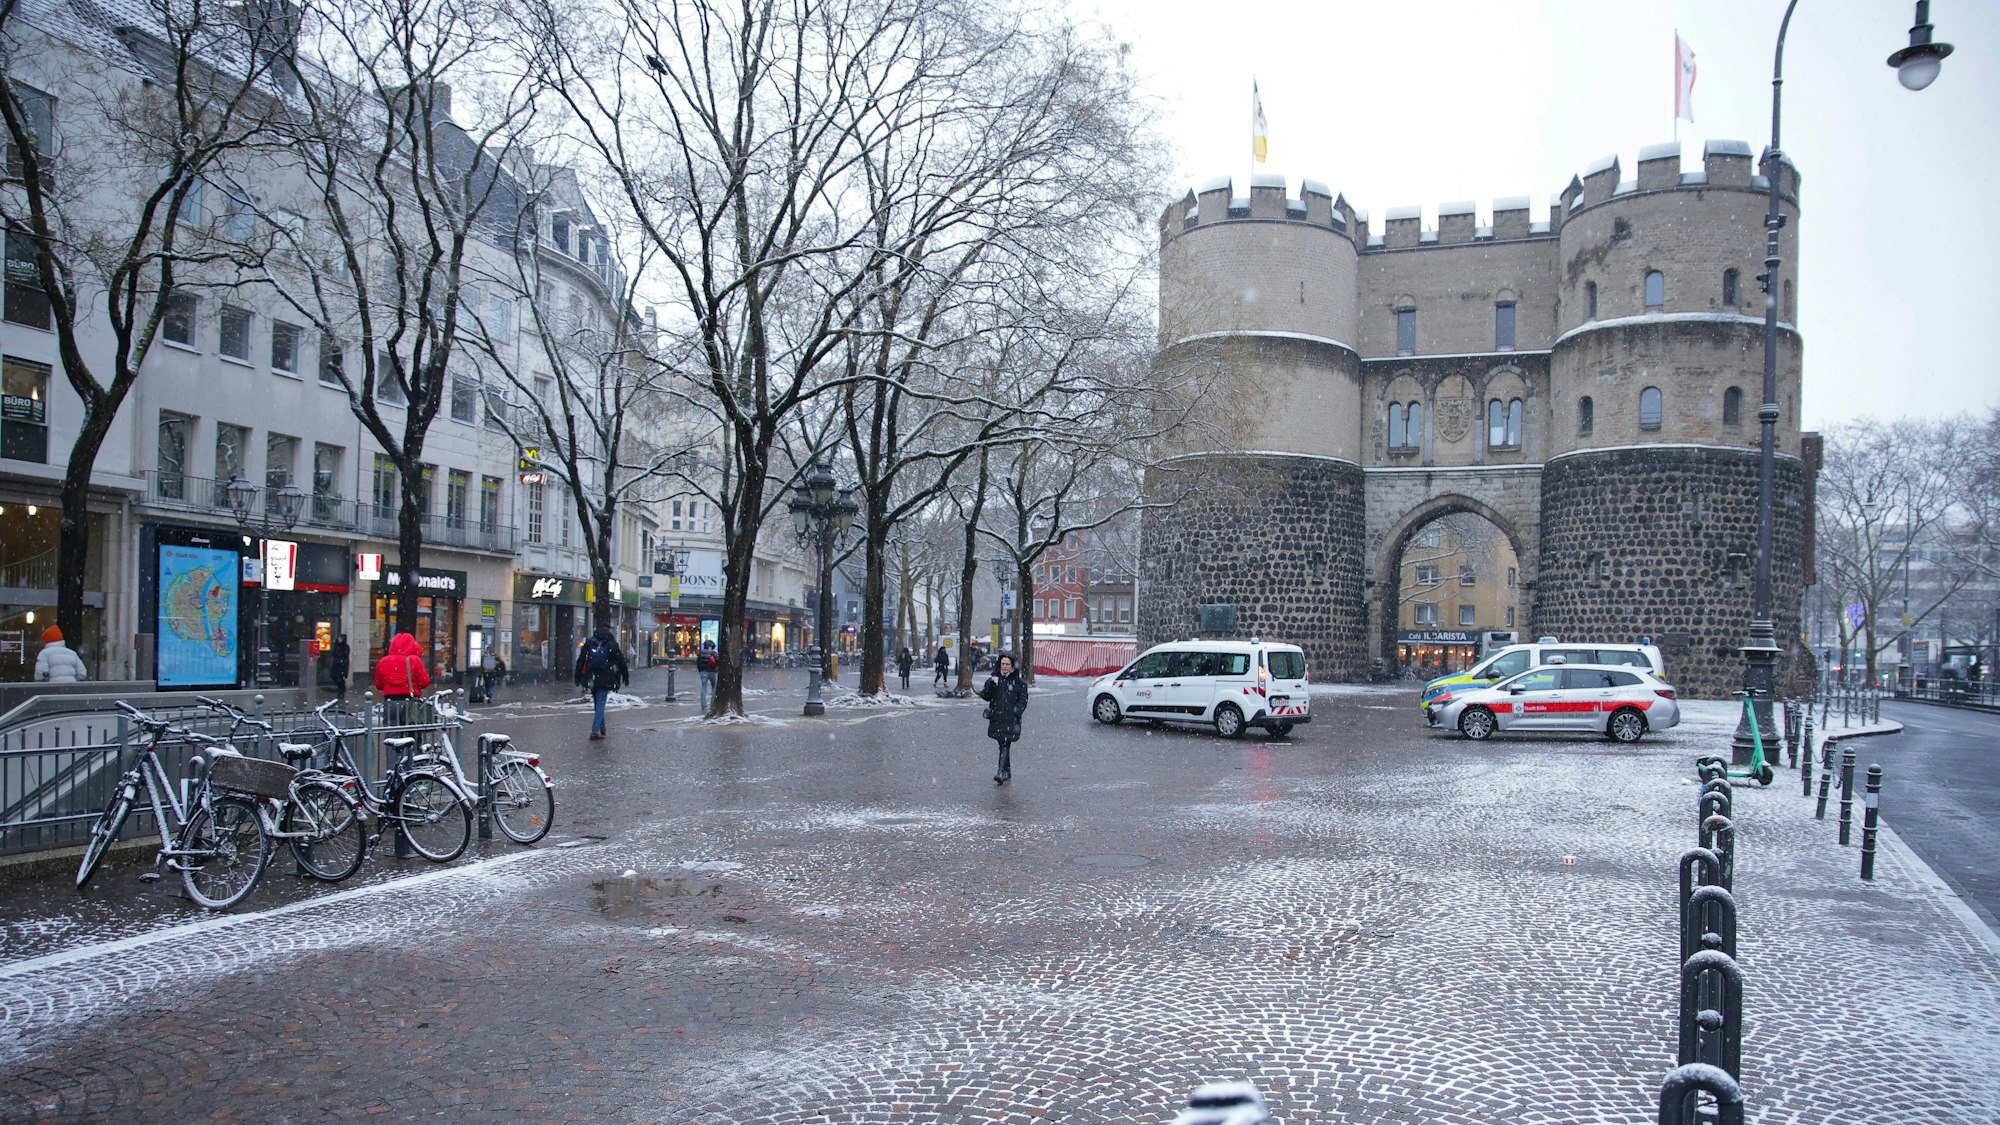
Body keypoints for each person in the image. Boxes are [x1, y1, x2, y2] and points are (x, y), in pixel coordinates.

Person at [977, 652, 1029, 784]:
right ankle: (1007, 770)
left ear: (1012, 666)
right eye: (1002, 664)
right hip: (997, 718)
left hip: (1011, 719)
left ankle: (1000, 771)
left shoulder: (1019, 683)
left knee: (1005, 744)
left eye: (1007, 664)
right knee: (1003, 744)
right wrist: (990, 684)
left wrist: (1016, 711)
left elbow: (1023, 701)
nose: (1004, 666)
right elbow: (986, 696)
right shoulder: (995, 679)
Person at [575, 624, 630, 740]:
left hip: (592, 677)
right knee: (600, 703)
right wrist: (625, 676)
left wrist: (578, 676)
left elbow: (581, 660)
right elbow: (621, 661)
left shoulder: (591, 642)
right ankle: (595, 731)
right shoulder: (611, 643)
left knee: (598, 703)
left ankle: (602, 727)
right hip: (606, 677)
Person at [373, 632, 431, 725]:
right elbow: (424, 682)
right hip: (410, 703)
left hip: (390, 702)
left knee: (391, 730)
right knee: (411, 729)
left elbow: (379, 685)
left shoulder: (383, 661)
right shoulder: (414, 660)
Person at [325, 634, 351, 704]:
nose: (339, 640)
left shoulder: (346, 647)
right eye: (339, 638)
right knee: (334, 677)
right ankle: (341, 689)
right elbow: (334, 653)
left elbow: (344, 654)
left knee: (340, 678)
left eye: (340, 639)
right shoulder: (336, 646)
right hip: (336, 665)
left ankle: (341, 691)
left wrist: (341, 660)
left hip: (342, 665)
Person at [696, 640, 719, 711]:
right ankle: (712, 703)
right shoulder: (714, 653)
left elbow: (698, 663)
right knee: (714, 687)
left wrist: (700, 671)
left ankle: (703, 705)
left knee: (703, 688)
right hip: (712, 672)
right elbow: (718, 661)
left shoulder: (701, 653)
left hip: (703, 672)